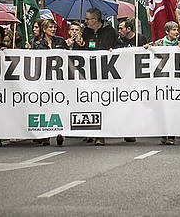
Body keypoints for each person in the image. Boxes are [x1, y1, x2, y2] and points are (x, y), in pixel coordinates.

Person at [76, 8, 120, 145]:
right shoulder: (85, 31)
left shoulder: (109, 31)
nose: (86, 22)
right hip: (89, 73)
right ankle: (94, 132)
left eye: (88, 19)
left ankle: (103, 133)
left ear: (96, 19)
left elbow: (118, 47)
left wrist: (114, 50)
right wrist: (80, 44)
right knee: (91, 103)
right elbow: (79, 52)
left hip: (106, 73)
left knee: (104, 103)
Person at [145, 21, 180, 146]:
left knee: (172, 107)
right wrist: (147, 48)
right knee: (162, 107)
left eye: (177, 30)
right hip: (161, 81)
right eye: (173, 30)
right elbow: (149, 49)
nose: (176, 32)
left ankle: (171, 134)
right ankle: (163, 133)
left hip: (174, 81)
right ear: (167, 32)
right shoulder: (158, 43)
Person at [32, 19, 67, 147]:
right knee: (45, 106)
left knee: (59, 106)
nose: (53, 29)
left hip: (59, 79)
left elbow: (68, 56)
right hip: (44, 79)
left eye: (54, 27)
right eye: (50, 27)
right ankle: (45, 135)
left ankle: (60, 133)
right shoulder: (37, 43)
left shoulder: (60, 41)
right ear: (44, 29)